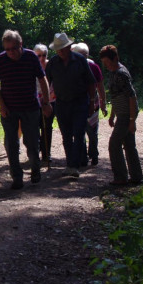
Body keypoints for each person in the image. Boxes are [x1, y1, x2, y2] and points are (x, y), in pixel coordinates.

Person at [0, 30, 53, 189]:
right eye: (8, 49)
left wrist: (46, 102)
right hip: (9, 109)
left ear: (21, 44)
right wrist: (1, 105)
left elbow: (42, 79)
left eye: (14, 48)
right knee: (11, 144)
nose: (10, 52)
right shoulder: (1, 59)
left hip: (30, 107)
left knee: (31, 142)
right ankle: (17, 177)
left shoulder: (31, 56)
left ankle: (35, 170)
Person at [45, 33, 97, 178]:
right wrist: (45, 102)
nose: (61, 51)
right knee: (66, 135)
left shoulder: (80, 60)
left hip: (80, 102)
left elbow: (91, 82)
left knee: (79, 133)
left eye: (63, 48)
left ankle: (74, 165)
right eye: (58, 49)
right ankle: (71, 164)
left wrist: (92, 102)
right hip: (61, 103)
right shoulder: (53, 63)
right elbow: (45, 82)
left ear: (68, 47)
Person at [99, 45, 143, 186]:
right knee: (129, 145)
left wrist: (132, 120)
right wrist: (112, 115)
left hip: (126, 115)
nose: (106, 66)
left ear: (115, 58)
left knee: (114, 145)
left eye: (108, 62)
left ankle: (121, 177)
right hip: (121, 114)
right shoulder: (114, 72)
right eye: (104, 63)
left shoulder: (121, 73)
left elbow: (131, 97)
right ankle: (136, 176)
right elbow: (115, 96)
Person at [71, 43, 108, 166]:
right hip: (76, 102)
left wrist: (103, 102)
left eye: (85, 54)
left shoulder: (93, 66)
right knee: (79, 130)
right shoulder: (70, 66)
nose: (84, 57)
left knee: (92, 130)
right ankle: (83, 157)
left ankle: (93, 153)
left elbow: (100, 86)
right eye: (81, 55)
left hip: (93, 101)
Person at [33, 44, 56, 165]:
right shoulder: (30, 66)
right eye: (38, 56)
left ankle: (46, 153)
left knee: (47, 126)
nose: (41, 58)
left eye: (44, 55)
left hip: (50, 100)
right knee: (35, 127)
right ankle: (35, 152)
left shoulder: (51, 65)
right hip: (34, 101)